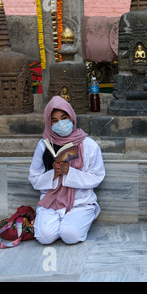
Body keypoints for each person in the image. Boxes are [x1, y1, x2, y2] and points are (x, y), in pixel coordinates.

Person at [29, 96, 105, 245]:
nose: (60, 123)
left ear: (72, 117)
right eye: (55, 120)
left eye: (64, 118)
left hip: (80, 202)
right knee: (44, 237)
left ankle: (71, 223)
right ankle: (59, 223)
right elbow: (34, 178)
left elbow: (97, 176)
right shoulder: (44, 145)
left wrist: (69, 172)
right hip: (51, 201)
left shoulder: (88, 145)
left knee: (70, 236)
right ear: (49, 123)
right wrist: (54, 174)